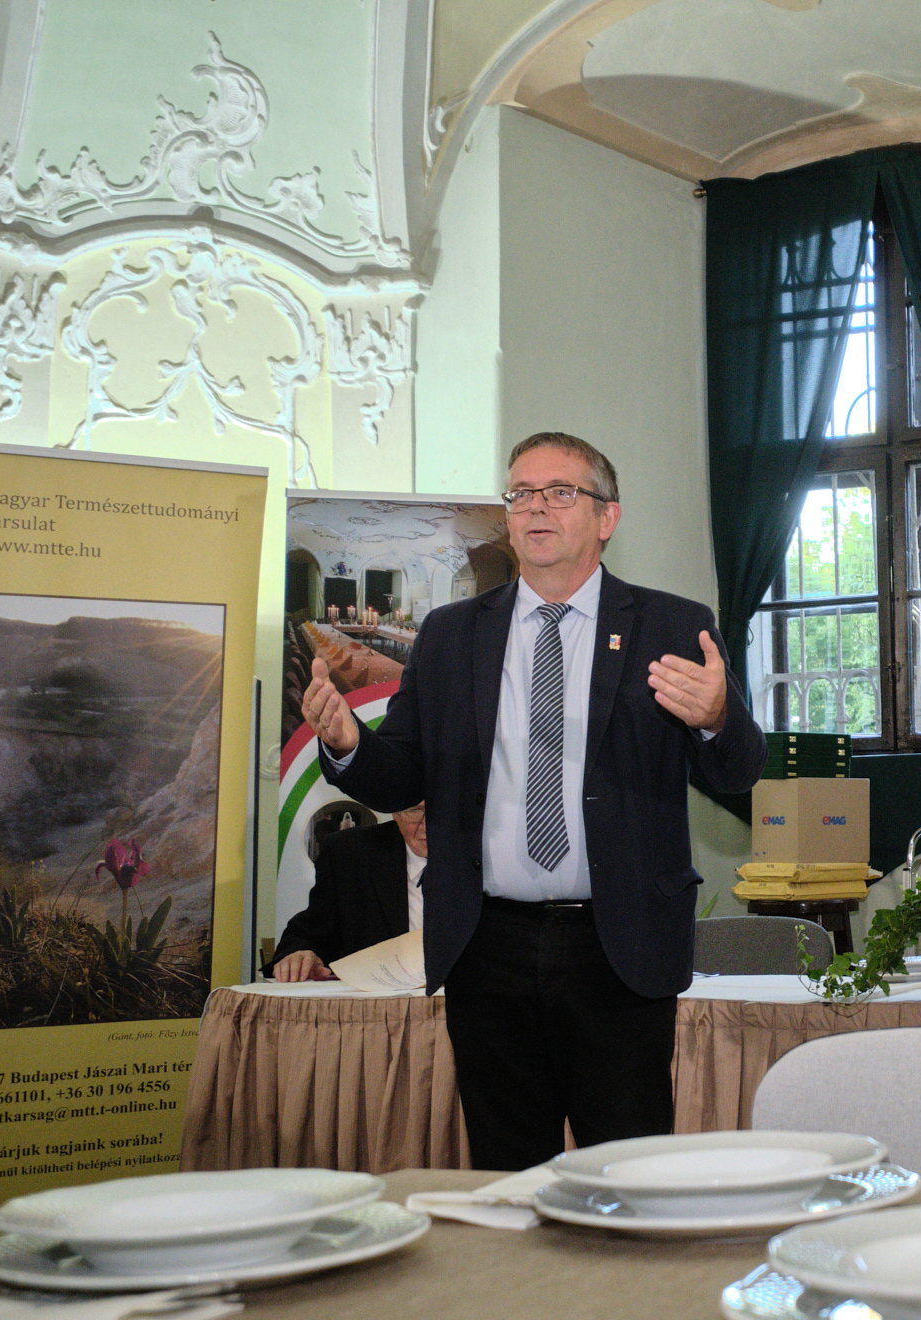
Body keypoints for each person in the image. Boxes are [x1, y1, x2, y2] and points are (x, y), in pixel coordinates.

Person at [298, 431, 764, 1170]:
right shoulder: (451, 635)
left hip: (619, 944)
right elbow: (403, 775)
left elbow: (737, 773)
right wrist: (349, 742)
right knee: (506, 1176)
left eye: (560, 492)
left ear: (607, 518)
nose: (536, 507)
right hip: (487, 945)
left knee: (629, 1173)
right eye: (521, 494)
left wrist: (715, 719)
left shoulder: (671, 625)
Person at [267, 804, 428, 981]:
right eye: (415, 811)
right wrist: (302, 955)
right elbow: (313, 931)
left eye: (441, 809)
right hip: (380, 995)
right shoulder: (350, 853)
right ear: (396, 813)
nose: (427, 825)